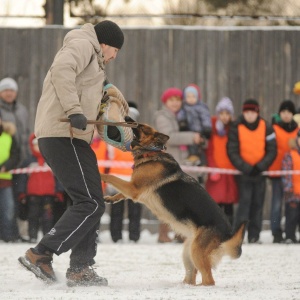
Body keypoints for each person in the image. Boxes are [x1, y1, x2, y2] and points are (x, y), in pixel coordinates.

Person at [18, 20, 125, 287]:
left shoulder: (95, 61)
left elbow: (96, 91)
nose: (114, 57)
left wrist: (116, 107)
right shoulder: (82, 44)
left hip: (74, 137)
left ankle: (81, 268)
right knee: (89, 203)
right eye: (116, 51)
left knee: (91, 201)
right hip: (61, 134)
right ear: (106, 44)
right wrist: (73, 110)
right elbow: (62, 71)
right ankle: (40, 253)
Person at [154, 87, 203, 243]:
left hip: (184, 162)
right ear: (165, 101)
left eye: (178, 100)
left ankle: (181, 233)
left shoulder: (184, 115)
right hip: (169, 162)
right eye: (172, 100)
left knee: (184, 200)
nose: (175, 103)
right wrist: (192, 137)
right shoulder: (161, 116)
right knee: (168, 200)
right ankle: (163, 233)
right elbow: (168, 136)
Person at [227, 99, 277, 244]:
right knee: (244, 205)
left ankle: (254, 235)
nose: (249, 115)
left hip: (259, 173)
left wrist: (261, 166)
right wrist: (246, 167)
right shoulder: (236, 127)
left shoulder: (266, 126)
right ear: (243, 113)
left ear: (257, 112)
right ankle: (238, 236)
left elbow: (272, 150)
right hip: (244, 173)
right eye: (246, 112)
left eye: (252, 112)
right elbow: (232, 150)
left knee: (257, 204)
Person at [16, 134, 65, 243]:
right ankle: (32, 236)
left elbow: (58, 177)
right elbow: (22, 178)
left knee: (48, 217)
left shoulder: (51, 160)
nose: (38, 147)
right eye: (35, 145)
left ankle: (46, 237)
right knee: (33, 216)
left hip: (49, 195)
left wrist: (59, 191)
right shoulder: (28, 161)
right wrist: (22, 193)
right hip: (33, 195)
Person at [0, 77, 30, 241]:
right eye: (5, 90)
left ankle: (17, 232)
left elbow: (26, 132)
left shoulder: (22, 110)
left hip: (22, 161)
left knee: (20, 199)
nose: (9, 93)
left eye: (11, 90)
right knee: (7, 201)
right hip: (7, 163)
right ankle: (7, 233)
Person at [107, 102, 142, 243]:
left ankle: (134, 237)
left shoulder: (140, 136)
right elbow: (107, 155)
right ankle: (116, 237)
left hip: (135, 179)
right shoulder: (113, 134)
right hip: (117, 178)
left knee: (135, 209)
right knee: (117, 209)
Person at [268, 100, 298, 243]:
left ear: (293, 114)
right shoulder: (274, 128)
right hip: (276, 172)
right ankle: (276, 232)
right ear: (280, 114)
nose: (286, 115)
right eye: (284, 112)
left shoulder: (297, 129)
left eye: (289, 112)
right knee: (276, 204)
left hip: (293, 175)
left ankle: (290, 232)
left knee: (291, 205)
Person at [205, 97, 238, 225]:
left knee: (229, 204)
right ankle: (216, 231)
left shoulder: (233, 130)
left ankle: (229, 230)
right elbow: (209, 151)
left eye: (227, 114)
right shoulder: (212, 129)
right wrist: (212, 167)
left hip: (230, 172)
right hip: (216, 173)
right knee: (215, 204)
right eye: (222, 114)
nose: (224, 117)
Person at [177, 84, 212, 166]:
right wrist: (181, 122)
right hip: (188, 129)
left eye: (193, 96)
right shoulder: (184, 107)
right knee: (190, 145)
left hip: (199, 129)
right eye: (188, 97)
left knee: (198, 145)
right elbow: (181, 115)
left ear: (197, 97)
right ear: (185, 98)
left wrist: (207, 127)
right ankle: (193, 158)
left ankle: (199, 159)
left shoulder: (201, 107)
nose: (191, 99)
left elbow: (205, 117)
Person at [0, 111, 20, 242]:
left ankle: (8, 236)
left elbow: (15, 155)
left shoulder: (9, 136)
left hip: (5, 179)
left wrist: (6, 166)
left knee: (8, 209)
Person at [281, 132, 300, 244]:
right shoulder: (290, 155)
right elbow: (286, 173)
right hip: (293, 194)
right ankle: (289, 236)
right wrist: (288, 189)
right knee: (291, 216)